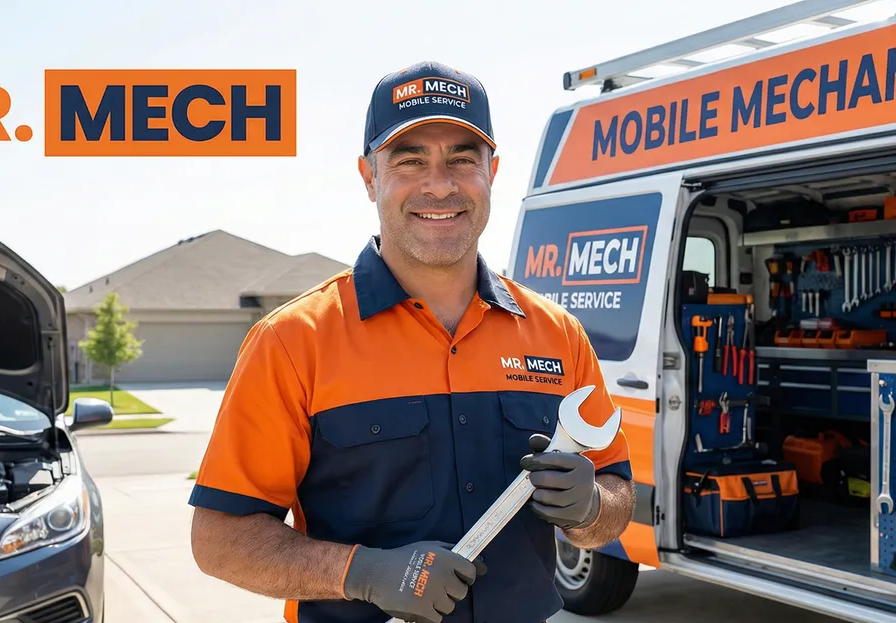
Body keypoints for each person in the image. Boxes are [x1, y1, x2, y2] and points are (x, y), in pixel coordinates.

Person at [188, 60, 636, 623]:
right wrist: (362, 573)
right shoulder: (292, 341)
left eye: (462, 159)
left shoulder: (557, 333)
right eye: (409, 160)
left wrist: (591, 506)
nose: (440, 184)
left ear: (491, 172)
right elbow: (219, 539)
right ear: (369, 176)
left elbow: (616, 502)